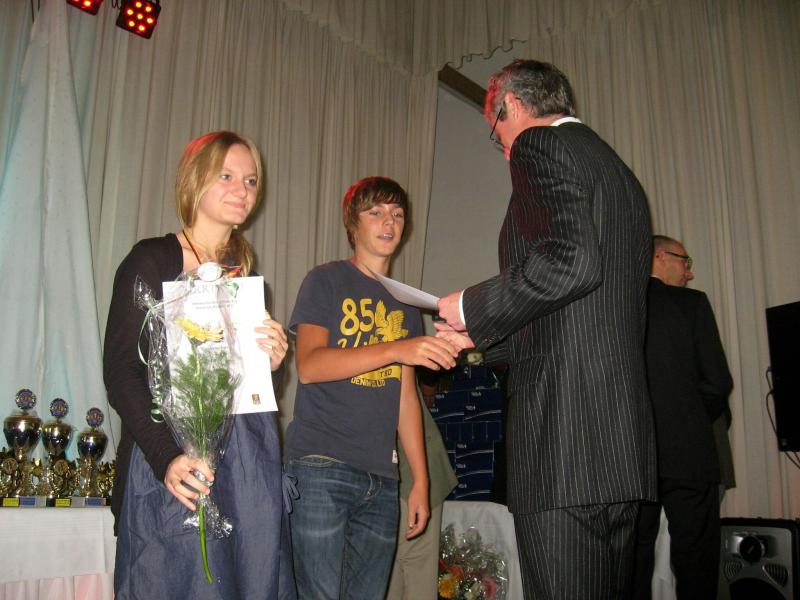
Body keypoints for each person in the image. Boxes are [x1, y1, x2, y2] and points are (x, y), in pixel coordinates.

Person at [436, 59, 657, 599]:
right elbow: (581, 308)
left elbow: (571, 262)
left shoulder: (539, 145)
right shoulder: (616, 170)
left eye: (497, 133)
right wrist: (482, 336)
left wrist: (470, 304)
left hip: (563, 442)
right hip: (619, 447)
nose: (503, 149)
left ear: (510, 106)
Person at [103, 131, 295, 599]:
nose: (242, 189)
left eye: (250, 180)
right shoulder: (152, 260)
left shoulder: (245, 277)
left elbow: (244, 393)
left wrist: (272, 362)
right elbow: (121, 371)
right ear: (195, 180)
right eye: (226, 176)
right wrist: (167, 457)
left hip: (244, 471)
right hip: (173, 467)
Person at [284, 176, 459, 599]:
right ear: (353, 224)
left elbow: (406, 400)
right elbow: (309, 366)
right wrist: (396, 347)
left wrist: (419, 481)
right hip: (321, 466)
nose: (388, 221)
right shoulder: (325, 280)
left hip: (382, 478)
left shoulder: (407, 305)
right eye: (375, 212)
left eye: (397, 214)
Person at [629, 235, 733, 600]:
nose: (689, 273)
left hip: (633, 457)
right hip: (689, 454)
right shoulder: (692, 304)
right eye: (684, 261)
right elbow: (718, 382)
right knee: (696, 560)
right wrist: (690, 419)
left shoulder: (619, 307)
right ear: (659, 256)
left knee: (633, 561)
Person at [386, 369, 458, 600]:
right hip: (397, 474)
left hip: (407, 475)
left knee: (413, 573)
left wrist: (420, 481)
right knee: (392, 574)